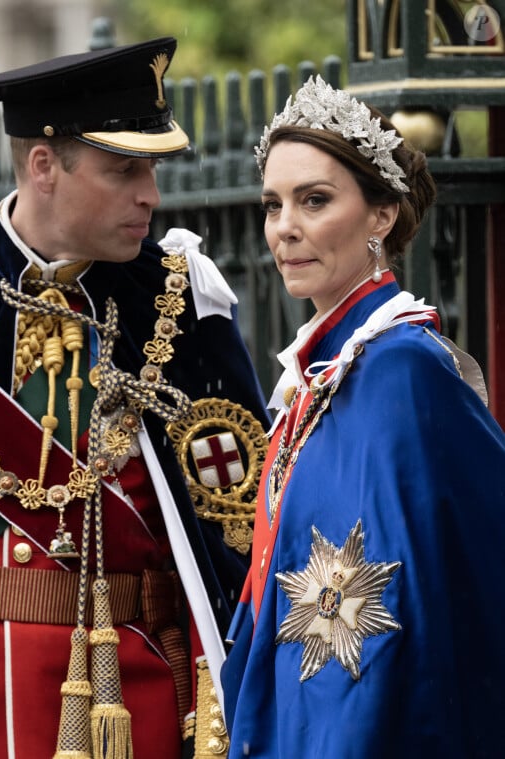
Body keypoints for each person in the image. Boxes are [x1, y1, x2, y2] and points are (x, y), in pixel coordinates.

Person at [0, 38, 271, 758]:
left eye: (152, 168)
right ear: (44, 166)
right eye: (124, 170)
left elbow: (238, 532)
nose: (151, 193)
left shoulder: (180, 302)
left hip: (132, 696)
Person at [221, 75, 505, 758]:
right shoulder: (321, 374)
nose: (284, 226)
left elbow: (419, 607)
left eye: (314, 200)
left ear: (381, 215)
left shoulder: (403, 369)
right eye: (273, 204)